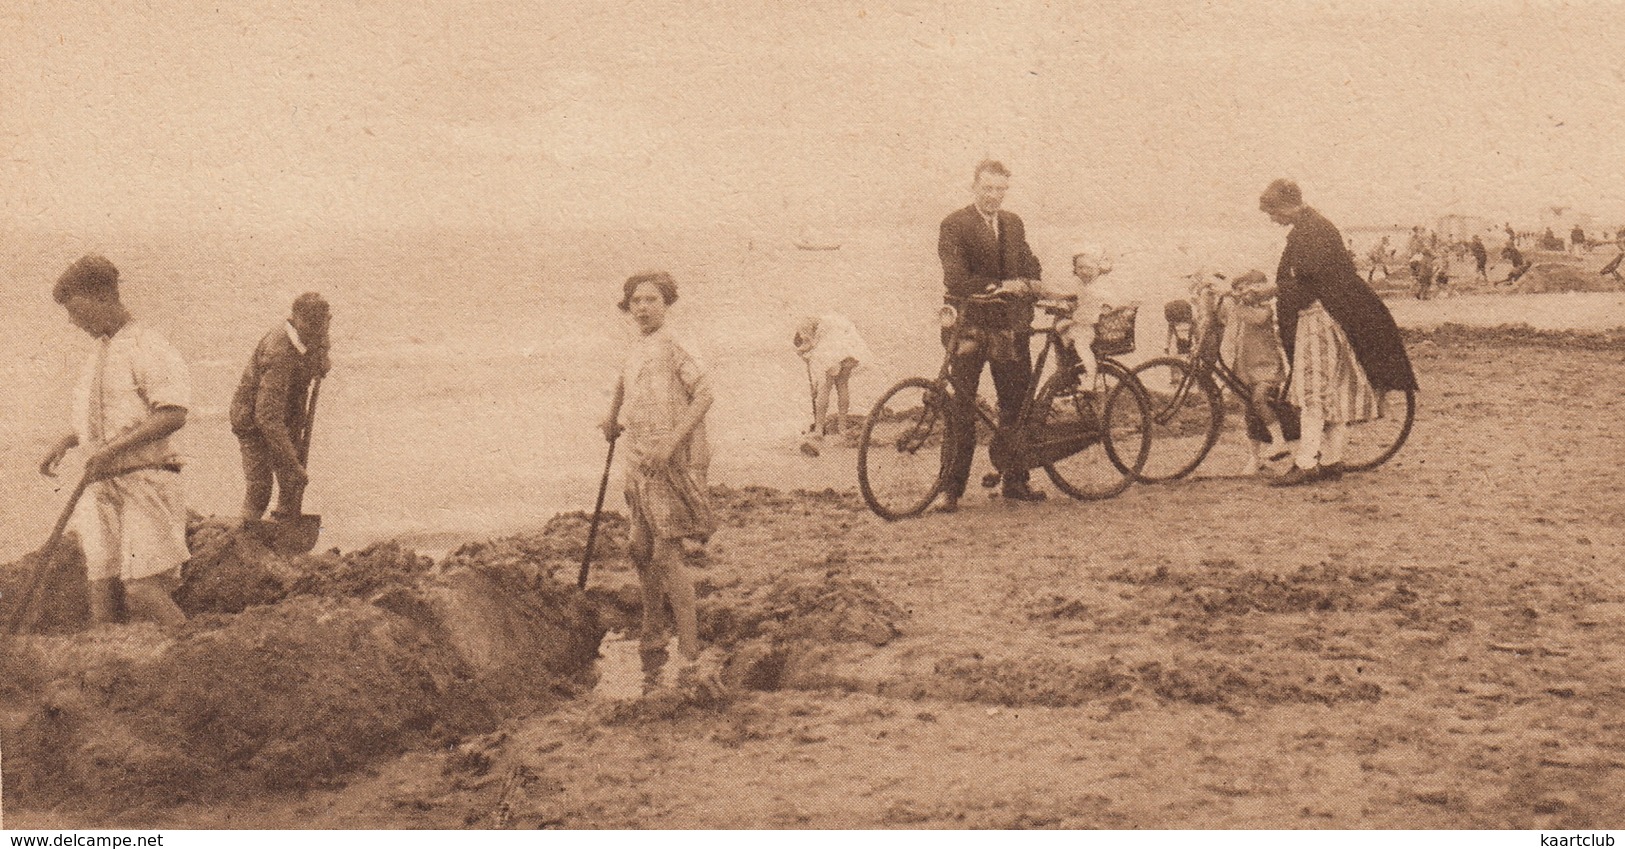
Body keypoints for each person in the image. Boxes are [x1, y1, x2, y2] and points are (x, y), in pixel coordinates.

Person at [38, 255, 189, 626]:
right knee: (101, 584)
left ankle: (196, 656)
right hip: (102, 483)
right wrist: (68, 440)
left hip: (145, 479)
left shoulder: (148, 346)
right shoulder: (100, 353)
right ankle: (106, 670)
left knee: (142, 588)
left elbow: (172, 413)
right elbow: (108, 418)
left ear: (104, 297)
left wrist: (112, 449)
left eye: (79, 312)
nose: (74, 322)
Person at [1256, 180, 1418, 486]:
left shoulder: (1312, 231)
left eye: (1273, 212)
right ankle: (1331, 461)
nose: (1272, 219)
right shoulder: (1313, 227)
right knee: (1328, 392)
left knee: (1312, 393)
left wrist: (1272, 289)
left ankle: (1306, 464)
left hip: (1319, 319)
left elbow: (1313, 282)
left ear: (1288, 205)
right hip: (1328, 316)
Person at [599, 271, 715, 691]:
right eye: (635, 301)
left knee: (667, 556)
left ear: (666, 303)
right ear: (628, 308)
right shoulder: (637, 348)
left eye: (651, 299)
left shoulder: (676, 344)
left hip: (668, 461)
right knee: (637, 547)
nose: (643, 307)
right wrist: (611, 418)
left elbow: (704, 395)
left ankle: (689, 652)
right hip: (638, 458)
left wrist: (671, 442)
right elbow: (622, 384)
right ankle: (653, 628)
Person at [935, 159, 1046, 510]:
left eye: (1000, 189)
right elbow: (955, 278)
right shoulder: (955, 224)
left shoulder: (1013, 223)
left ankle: (1016, 481)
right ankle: (950, 489)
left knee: (1015, 404)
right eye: (987, 188)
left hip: (1009, 326)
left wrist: (1030, 282)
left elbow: (1029, 262)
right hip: (968, 327)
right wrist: (1000, 285)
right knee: (960, 407)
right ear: (974, 187)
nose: (994, 196)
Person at [231, 293, 331, 526]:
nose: (316, 336)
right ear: (296, 320)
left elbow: (324, 337)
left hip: (289, 412)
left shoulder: (317, 330)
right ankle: (244, 538)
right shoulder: (279, 353)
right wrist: (292, 464)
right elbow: (266, 418)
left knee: (291, 482)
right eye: (311, 330)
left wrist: (323, 357)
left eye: (321, 328)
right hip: (252, 420)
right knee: (260, 488)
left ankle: (283, 530)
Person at [1219, 270, 1291, 475]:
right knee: (1250, 413)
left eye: (1245, 290)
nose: (1241, 294)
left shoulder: (1265, 310)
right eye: (1238, 290)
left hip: (1267, 368)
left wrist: (1236, 303)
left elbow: (1257, 319)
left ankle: (1279, 441)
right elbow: (1220, 316)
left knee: (1260, 399)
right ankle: (1255, 458)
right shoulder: (1238, 309)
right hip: (1246, 369)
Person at [792, 313, 873, 454]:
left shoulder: (812, 336)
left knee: (826, 387)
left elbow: (818, 371)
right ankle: (842, 428)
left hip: (833, 348)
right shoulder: (821, 321)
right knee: (843, 385)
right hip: (850, 344)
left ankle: (818, 429)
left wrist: (815, 387)